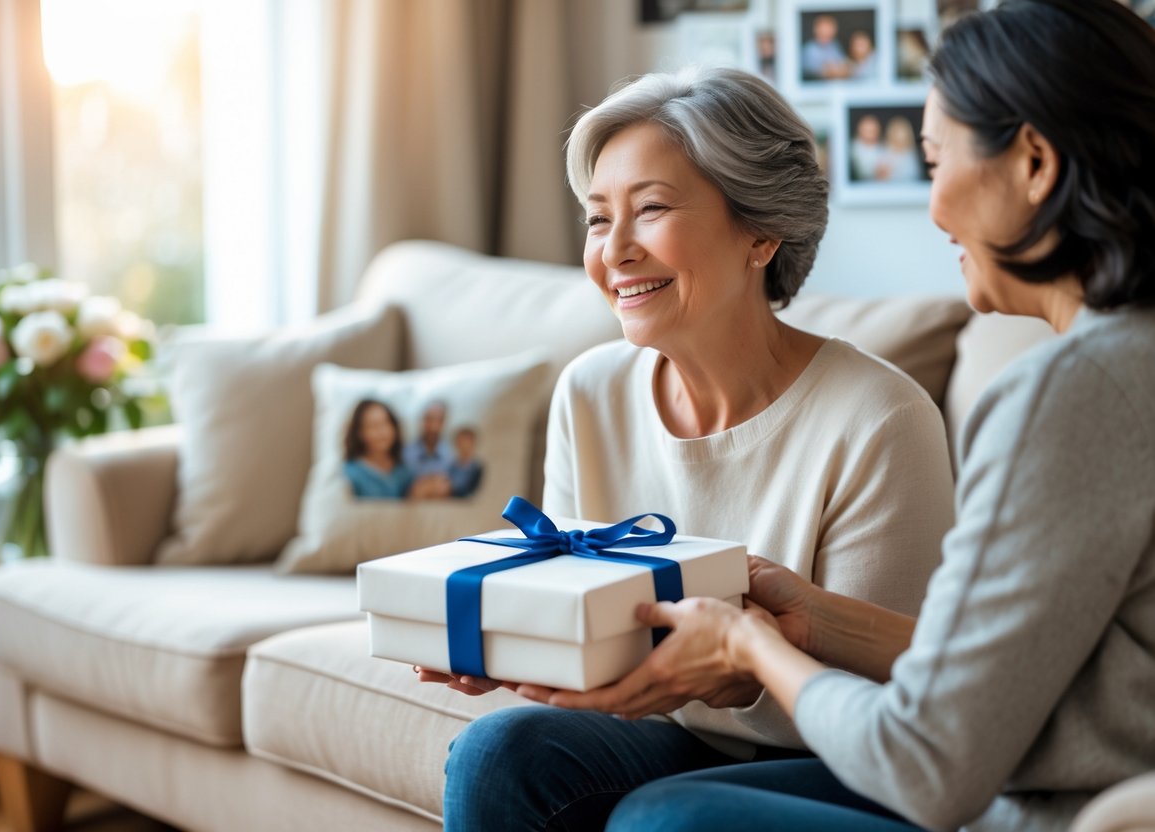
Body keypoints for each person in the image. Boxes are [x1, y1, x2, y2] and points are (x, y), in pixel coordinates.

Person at [512, 1, 1155, 829]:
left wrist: (752, 647)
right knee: (520, 757)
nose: (931, 210)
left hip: (1045, 806)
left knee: (667, 820)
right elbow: (1008, 674)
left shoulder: (1068, 395)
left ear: (1032, 162)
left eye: (933, 161)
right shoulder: (1118, 368)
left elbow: (925, 759)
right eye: (600, 216)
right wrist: (808, 615)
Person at [430, 65, 958, 830]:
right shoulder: (590, 392)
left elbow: (888, 701)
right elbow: (589, 616)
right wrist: (506, 642)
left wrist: (738, 670)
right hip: (667, 740)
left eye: (649, 210)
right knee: (497, 751)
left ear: (760, 232)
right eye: (596, 218)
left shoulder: (877, 415)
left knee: (660, 816)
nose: (613, 251)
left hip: (840, 761)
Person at [342, 399, 413, 499]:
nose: (382, 432)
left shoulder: (404, 470)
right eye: (373, 426)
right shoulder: (350, 474)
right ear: (359, 433)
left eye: (386, 423)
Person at [403, 399, 453, 498]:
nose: (433, 426)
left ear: (444, 422)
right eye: (429, 419)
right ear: (422, 420)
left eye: (438, 420)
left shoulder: (452, 454)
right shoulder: (405, 453)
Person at [801, 14, 849, 80]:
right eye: (823, 30)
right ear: (816, 30)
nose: (826, 33)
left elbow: (845, 67)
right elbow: (822, 73)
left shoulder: (835, 46)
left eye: (829, 30)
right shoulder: (809, 50)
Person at [878, 116, 922, 182]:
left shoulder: (912, 153)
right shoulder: (884, 152)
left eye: (902, 131)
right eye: (897, 131)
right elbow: (880, 178)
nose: (900, 135)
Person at [447, 427, 484, 498]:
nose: (464, 445)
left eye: (466, 442)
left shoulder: (477, 468)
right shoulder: (451, 466)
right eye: (460, 442)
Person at [850, 113, 884, 181]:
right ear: (859, 130)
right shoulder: (851, 150)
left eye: (872, 130)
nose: (870, 133)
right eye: (867, 130)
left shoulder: (884, 149)